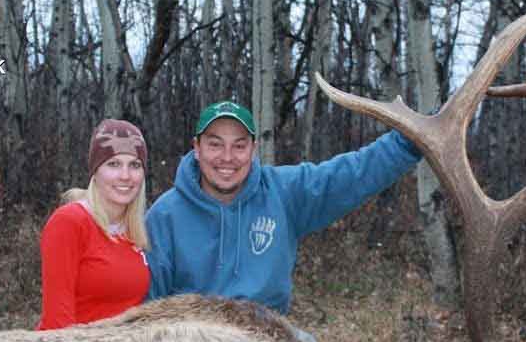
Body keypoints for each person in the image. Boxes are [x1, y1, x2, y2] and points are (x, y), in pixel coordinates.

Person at [144, 100, 421, 314]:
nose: (227, 158)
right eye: (215, 145)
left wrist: (409, 143)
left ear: (253, 150)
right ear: (197, 148)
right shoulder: (164, 216)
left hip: (269, 341)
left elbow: (352, 175)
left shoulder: (283, 192)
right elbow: (149, 309)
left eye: (239, 146)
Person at [37, 119, 151, 330]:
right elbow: (57, 322)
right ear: (95, 171)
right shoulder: (69, 222)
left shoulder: (134, 230)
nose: (125, 176)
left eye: (134, 165)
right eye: (113, 164)